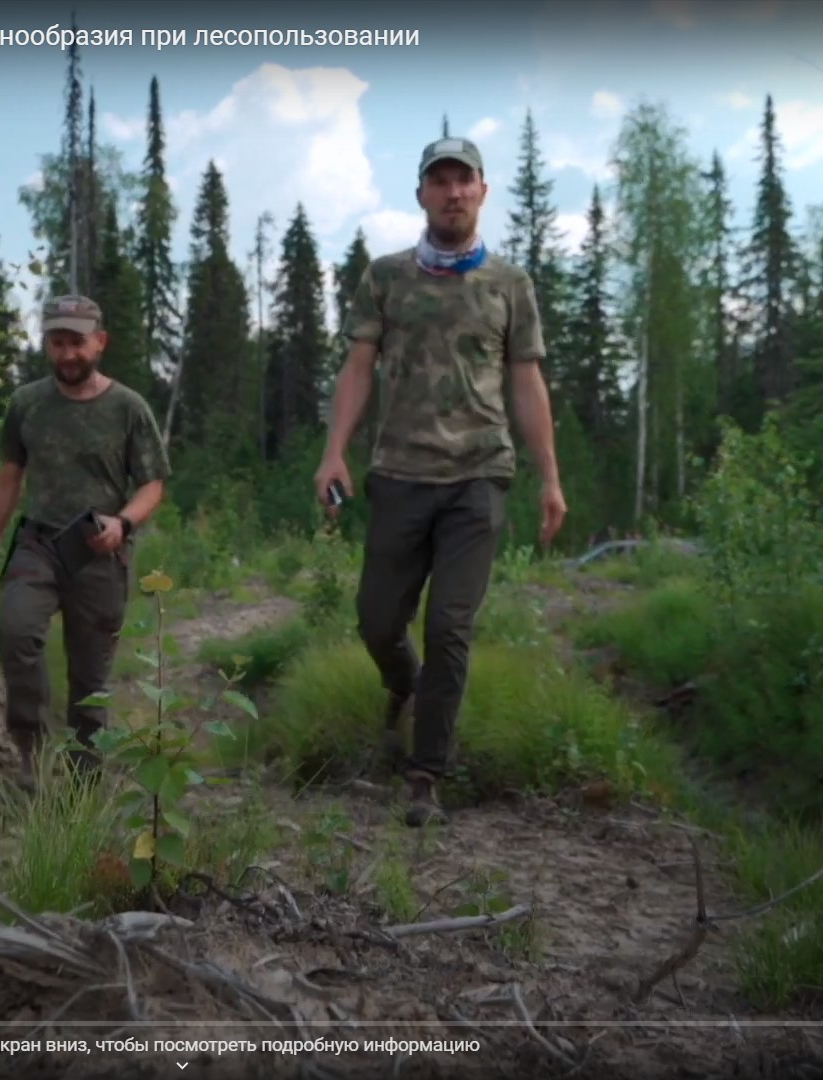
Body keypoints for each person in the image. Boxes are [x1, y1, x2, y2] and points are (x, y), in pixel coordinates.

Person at [314, 135, 568, 827]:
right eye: (440, 181)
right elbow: (359, 367)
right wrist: (334, 451)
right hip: (398, 473)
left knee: (451, 625)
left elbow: (526, 380)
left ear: (483, 192)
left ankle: (426, 774)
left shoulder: (510, 285)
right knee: (377, 621)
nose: (453, 192)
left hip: (478, 476)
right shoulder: (387, 277)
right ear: (422, 193)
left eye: (465, 181)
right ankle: (406, 688)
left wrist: (549, 478)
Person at [0, 295, 171, 790]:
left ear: (100, 342)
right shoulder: (27, 404)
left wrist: (122, 523)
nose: (67, 355)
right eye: (57, 344)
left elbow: (152, 485)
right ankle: (31, 758)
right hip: (38, 543)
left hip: (101, 551)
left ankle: (83, 789)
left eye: (77, 343)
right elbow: (8, 481)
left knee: (90, 682)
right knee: (16, 633)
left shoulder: (128, 408)